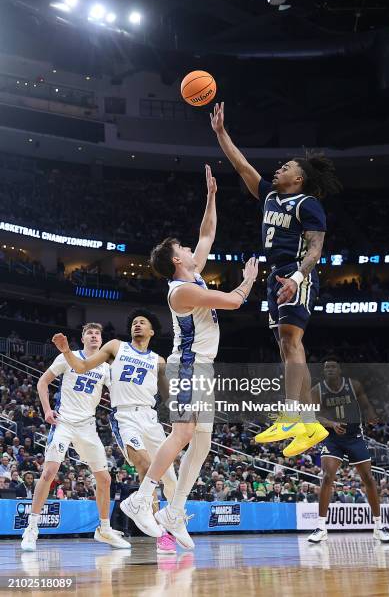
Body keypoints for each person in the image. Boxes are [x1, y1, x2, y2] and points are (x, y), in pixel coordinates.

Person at [107, 164, 258, 548]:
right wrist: (250, 278)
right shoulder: (181, 291)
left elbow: (207, 232)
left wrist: (211, 197)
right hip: (186, 367)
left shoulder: (193, 274)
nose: (191, 249)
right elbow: (234, 301)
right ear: (177, 260)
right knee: (185, 432)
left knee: (203, 442)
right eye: (184, 249)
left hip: (202, 368)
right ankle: (142, 498)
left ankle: (174, 510)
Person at [210, 102, 342, 457]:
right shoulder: (269, 195)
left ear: (298, 178)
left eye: (286, 167)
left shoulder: (307, 204)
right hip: (274, 278)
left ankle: (291, 413)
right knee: (286, 347)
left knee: (290, 339)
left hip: (296, 275)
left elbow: (316, 249)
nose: (279, 168)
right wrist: (221, 133)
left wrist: (298, 278)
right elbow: (241, 165)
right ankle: (310, 424)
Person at [51, 310, 178, 555]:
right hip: (125, 415)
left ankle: (170, 526)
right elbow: (82, 366)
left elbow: (168, 397)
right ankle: (157, 528)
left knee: (170, 478)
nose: (137, 324)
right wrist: (67, 351)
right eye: (134, 322)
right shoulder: (116, 347)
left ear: (152, 331)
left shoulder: (158, 360)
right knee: (144, 463)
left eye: (143, 322)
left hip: (150, 418)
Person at [21, 323, 130, 552]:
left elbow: (119, 393)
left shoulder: (104, 367)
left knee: (105, 479)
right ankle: (31, 528)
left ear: (101, 340)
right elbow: (42, 382)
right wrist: (47, 410)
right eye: (89, 333)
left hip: (88, 426)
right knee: (49, 472)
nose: (93, 336)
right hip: (64, 422)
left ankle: (104, 529)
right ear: (83, 339)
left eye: (97, 333)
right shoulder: (68, 357)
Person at [307, 359, 389, 544]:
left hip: (354, 437)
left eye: (333, 366)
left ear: (340, 370)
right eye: (326, 367)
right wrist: (332, 424)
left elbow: (366, 406)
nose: (329, 369)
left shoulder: (354, 385)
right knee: (327, 476)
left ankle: (379, 526)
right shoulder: (317, 390)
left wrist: (371, 416)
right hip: (332, 438)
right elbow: (314, 416)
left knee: (369, 479)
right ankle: (321, 527)